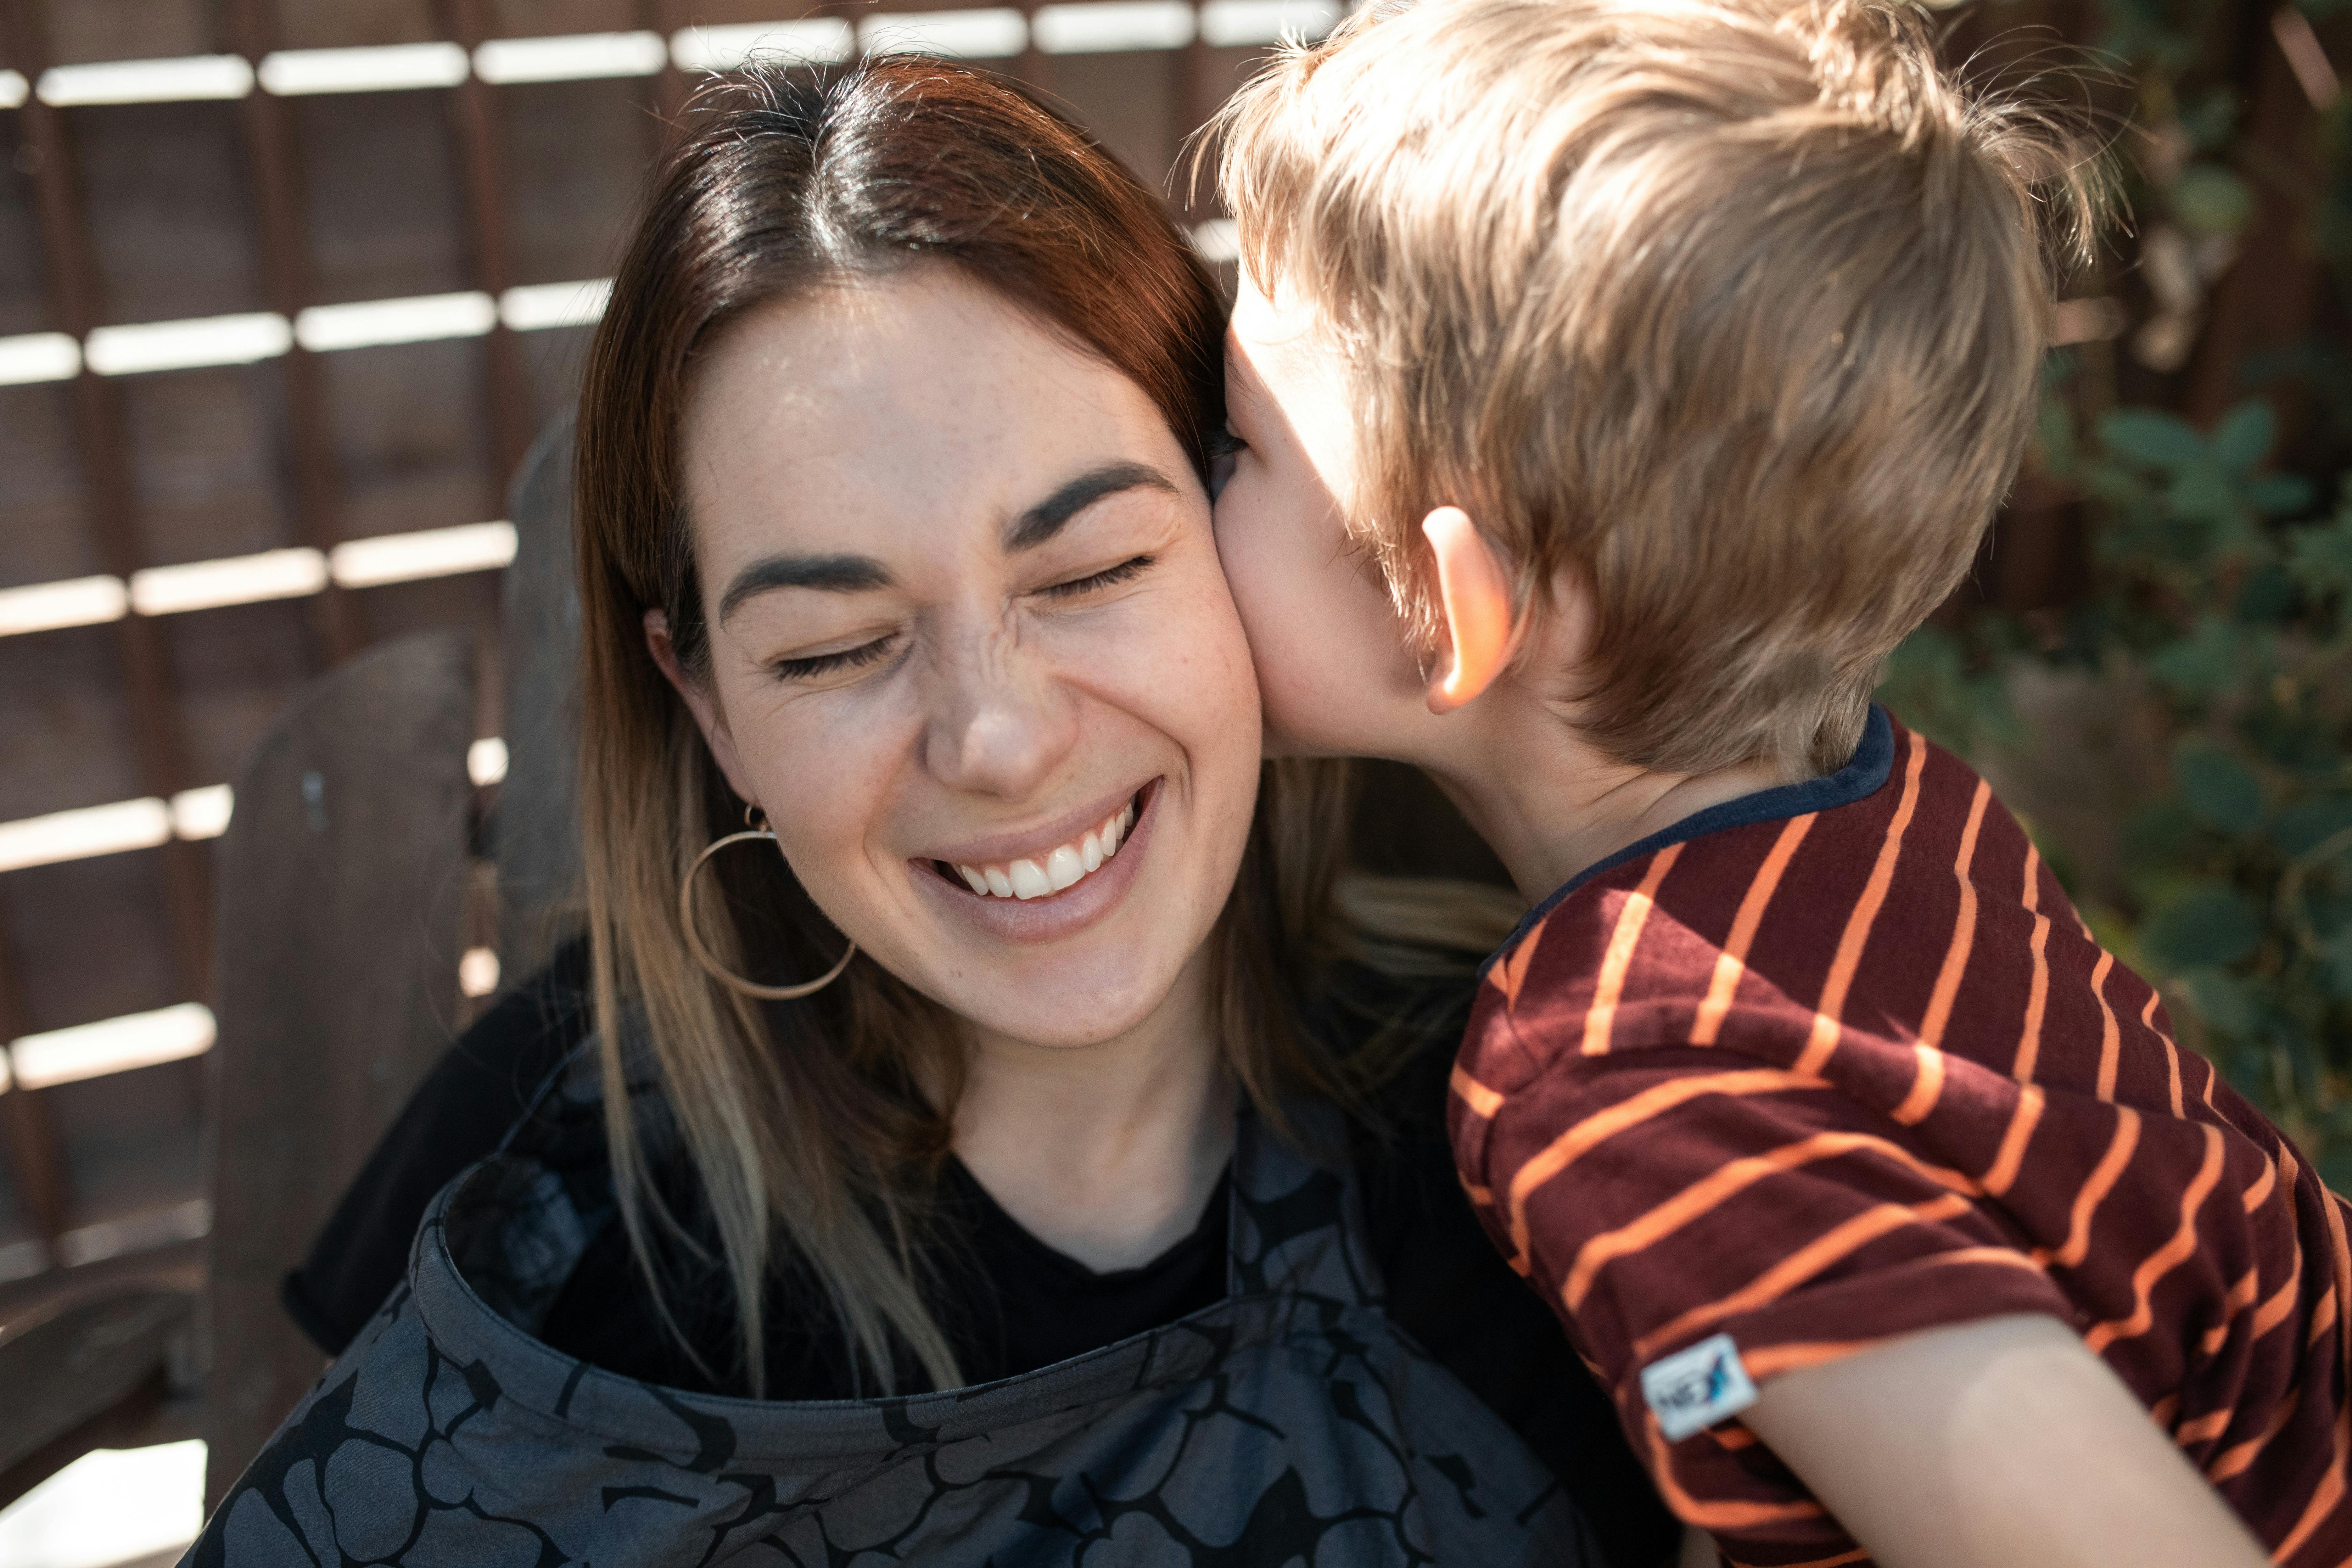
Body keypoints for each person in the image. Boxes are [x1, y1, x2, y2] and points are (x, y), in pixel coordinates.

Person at [186, 55, 1678, 1567]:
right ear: (707, 703)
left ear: (1239, 526)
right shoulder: (557, 1198)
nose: (999, 739)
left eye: (1092, 567)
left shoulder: (1557, 1150)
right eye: (835, 647)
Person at [1202, 1, 2352, 1565]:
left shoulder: (1628, 1078)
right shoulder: (1895, 812)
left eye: (1239, 447)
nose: (1191, 492)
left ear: (1445, 605)